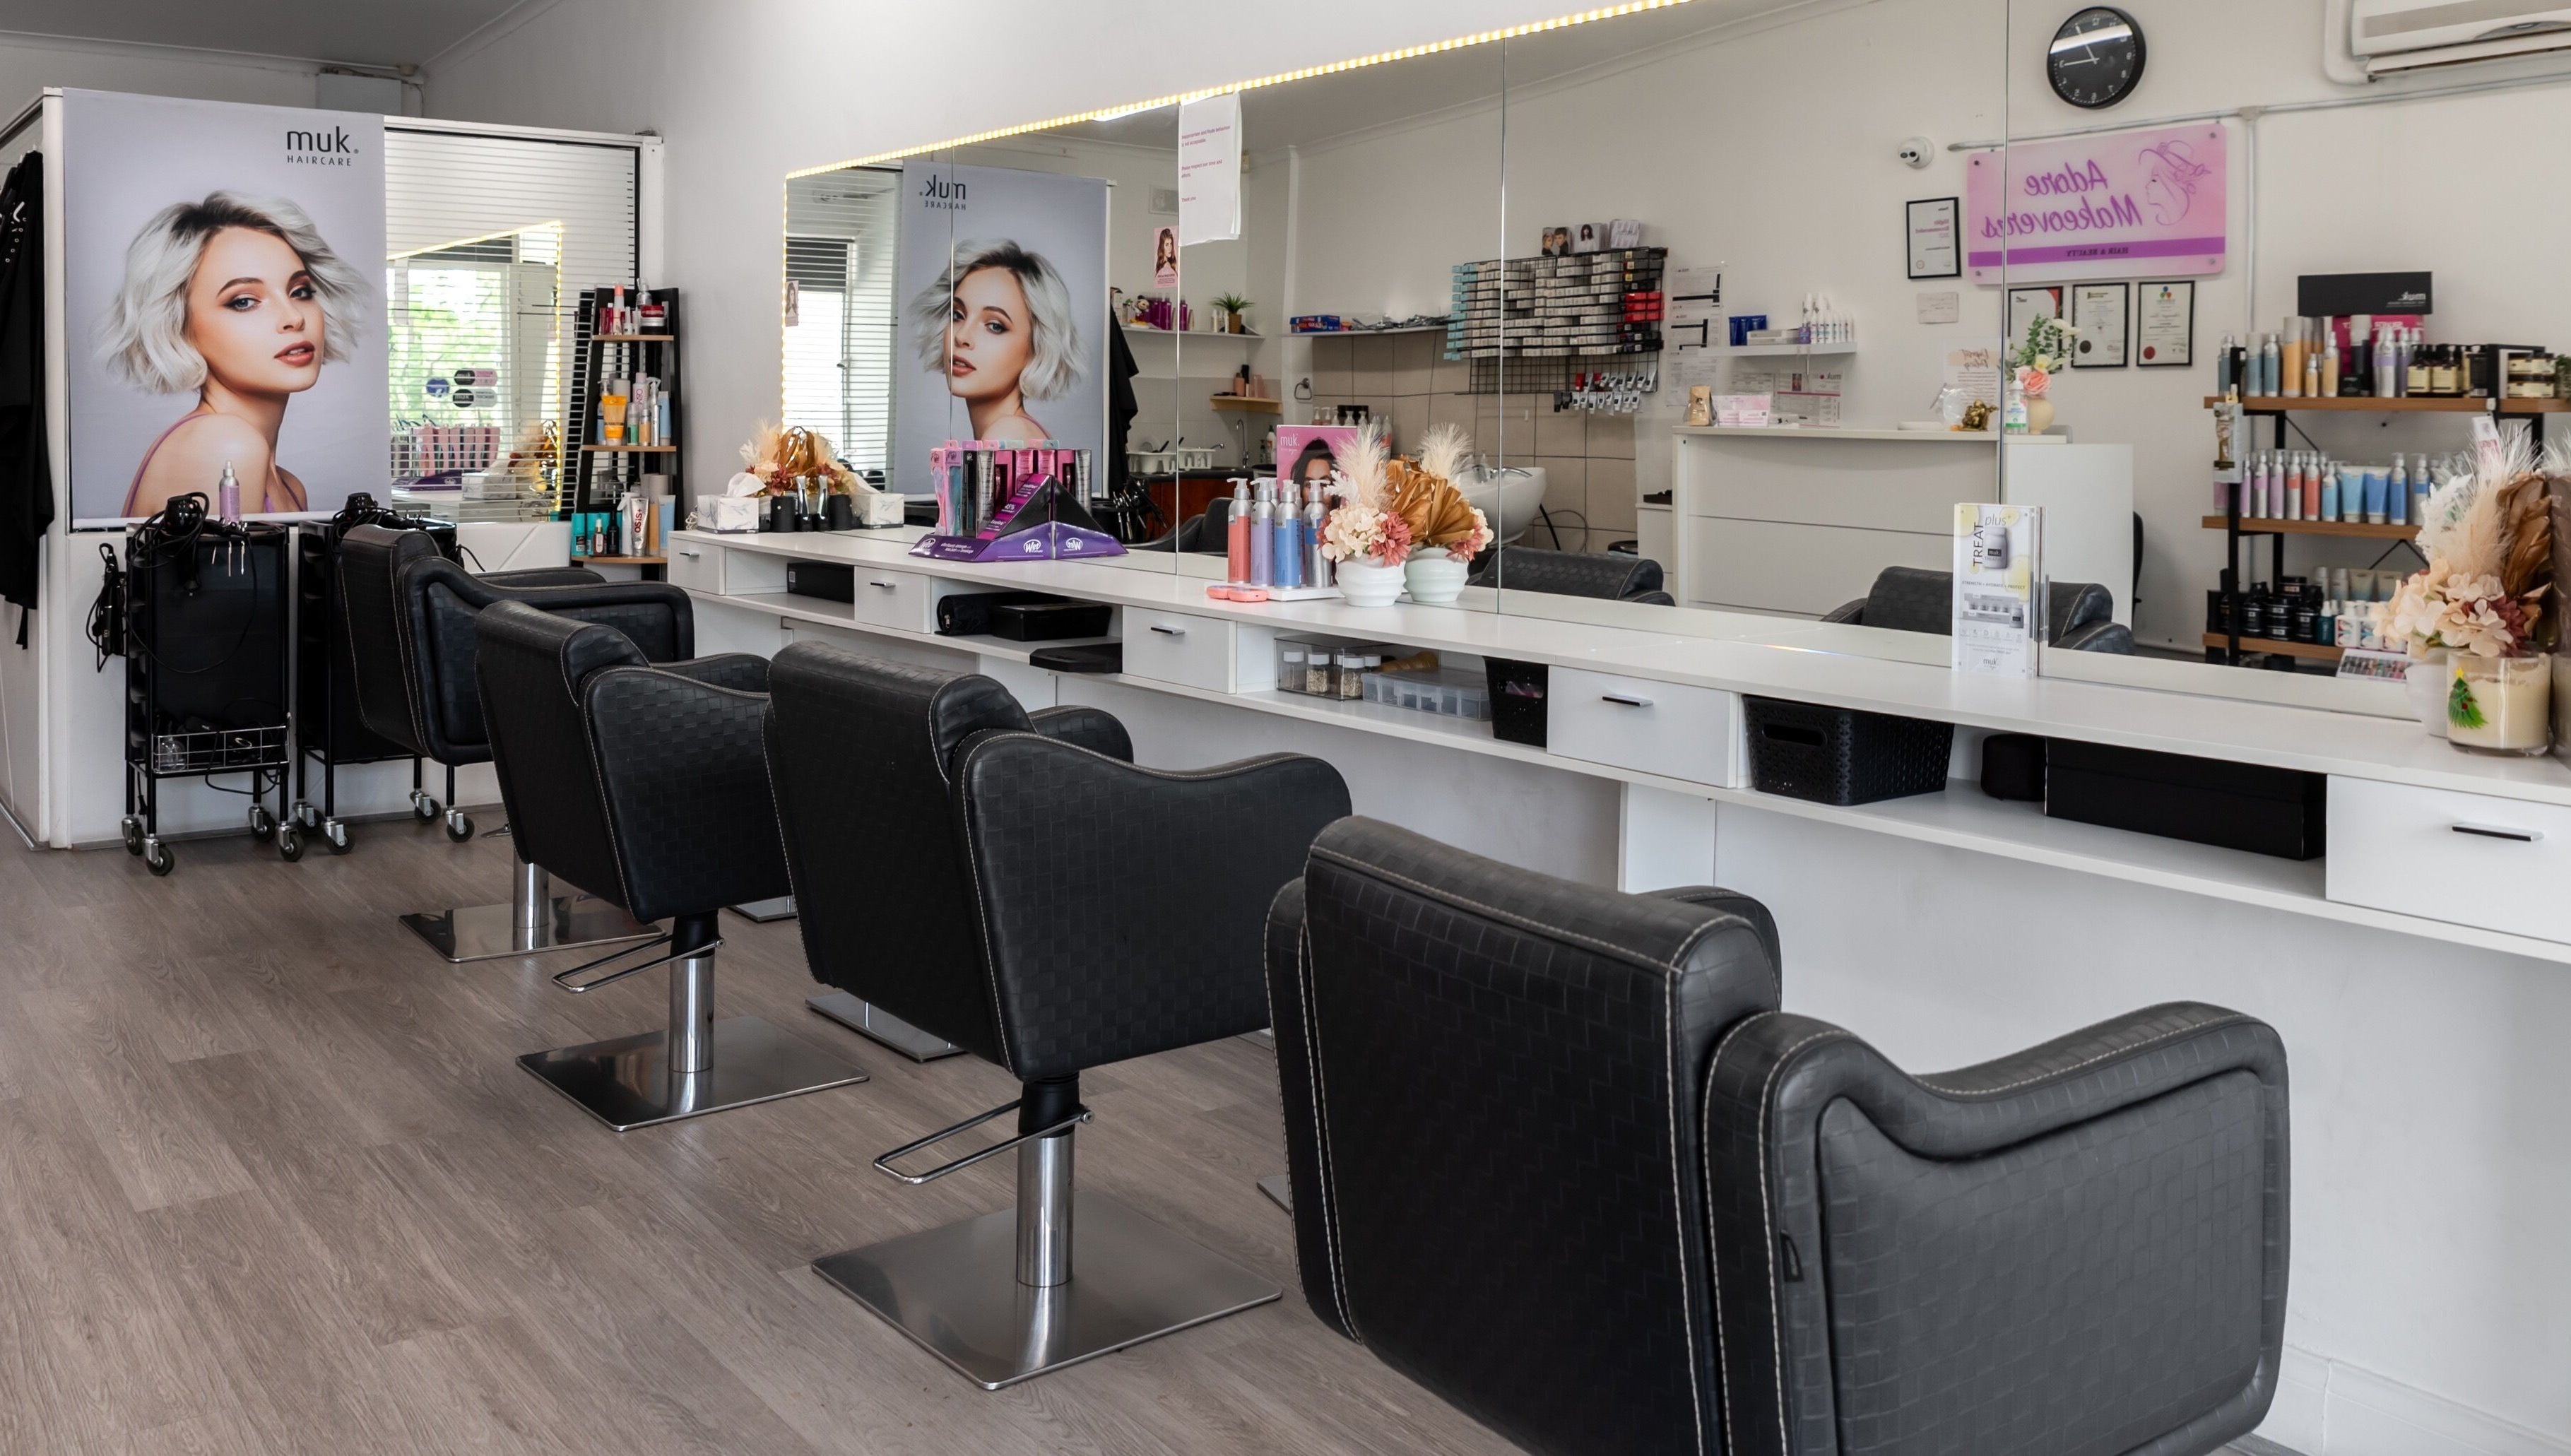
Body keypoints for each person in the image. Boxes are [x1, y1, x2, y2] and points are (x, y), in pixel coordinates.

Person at [101, 192, 367, 517]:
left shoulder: (290, 487)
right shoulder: (222, 445)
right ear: (178, 325)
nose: (294, 317)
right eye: (243, 301)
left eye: (301, 292)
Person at [909, 239, 1084, 444]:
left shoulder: (1007, 434)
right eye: (957, 315)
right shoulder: (1019, 431)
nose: (962, 337)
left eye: (995, 326)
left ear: (1037, 347)